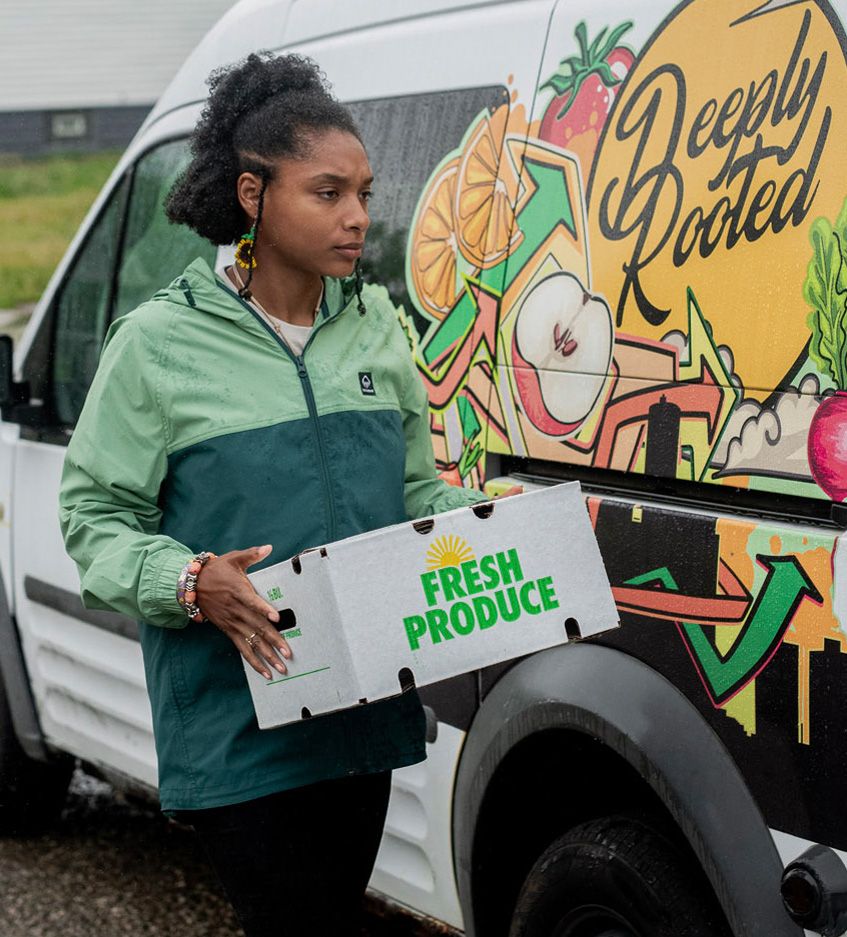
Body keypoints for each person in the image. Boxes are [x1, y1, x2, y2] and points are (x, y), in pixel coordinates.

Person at [58, 52, 497, 936]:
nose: (358, 218)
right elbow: (93, 518)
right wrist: (189, 582)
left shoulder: (374, 329)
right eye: (327, 192)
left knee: (329, 916)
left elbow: (414, 496)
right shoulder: (156, 345)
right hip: (236, 724)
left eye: (364, 193)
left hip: (362, 716)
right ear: (253, 197)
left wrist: (495, 520)